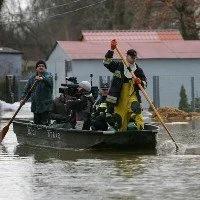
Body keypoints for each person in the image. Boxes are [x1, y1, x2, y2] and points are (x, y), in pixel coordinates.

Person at [103, 40, 147, 131]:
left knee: (136, 110)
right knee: (120, 122)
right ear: (126, 56)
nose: (134, 59)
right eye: (132, 57)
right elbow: (106, 62)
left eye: (135, 57)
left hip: (132, 96)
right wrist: (111, 50)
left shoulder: (138, 70)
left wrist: (140, 82)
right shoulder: (118, 66)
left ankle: (141, 131)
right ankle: (122, 134)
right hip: (118, 98)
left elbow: (145, 83)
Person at [21, 60, 53, 125]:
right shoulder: (32, 78)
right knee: (36, 125)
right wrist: (23, 99)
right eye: (39, 66)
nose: (41, 67)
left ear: (45, 68)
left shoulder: (49, 76)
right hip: (36, 107)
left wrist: (42, 79)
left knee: (45, 125)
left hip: (45, 107)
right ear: (36, 68)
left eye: (43, 66)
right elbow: (27, 91)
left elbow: (49, 81)